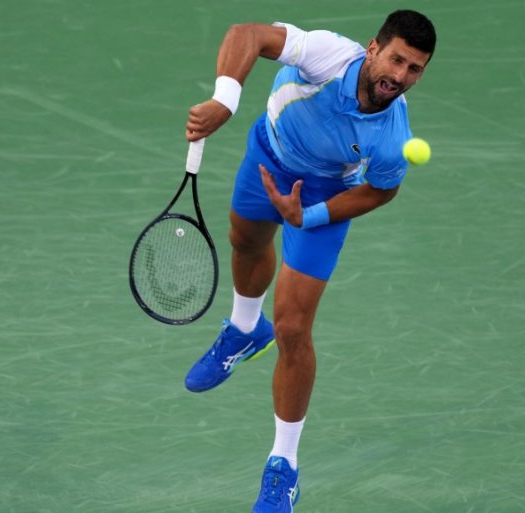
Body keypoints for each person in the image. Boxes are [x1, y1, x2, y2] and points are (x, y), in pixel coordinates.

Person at [183, 10, 436, 512]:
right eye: (396, 60)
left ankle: (284, 466)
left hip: (324, 192)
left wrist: (311, 215)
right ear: (373, 48)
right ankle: (244, 329)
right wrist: (224, 100)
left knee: (294, 328)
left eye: (414, 69)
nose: (400, 76)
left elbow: (380, 191)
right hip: (270, 153)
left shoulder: (392, 135)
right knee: (245, 242)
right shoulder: (328, 55)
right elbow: (247, 35)